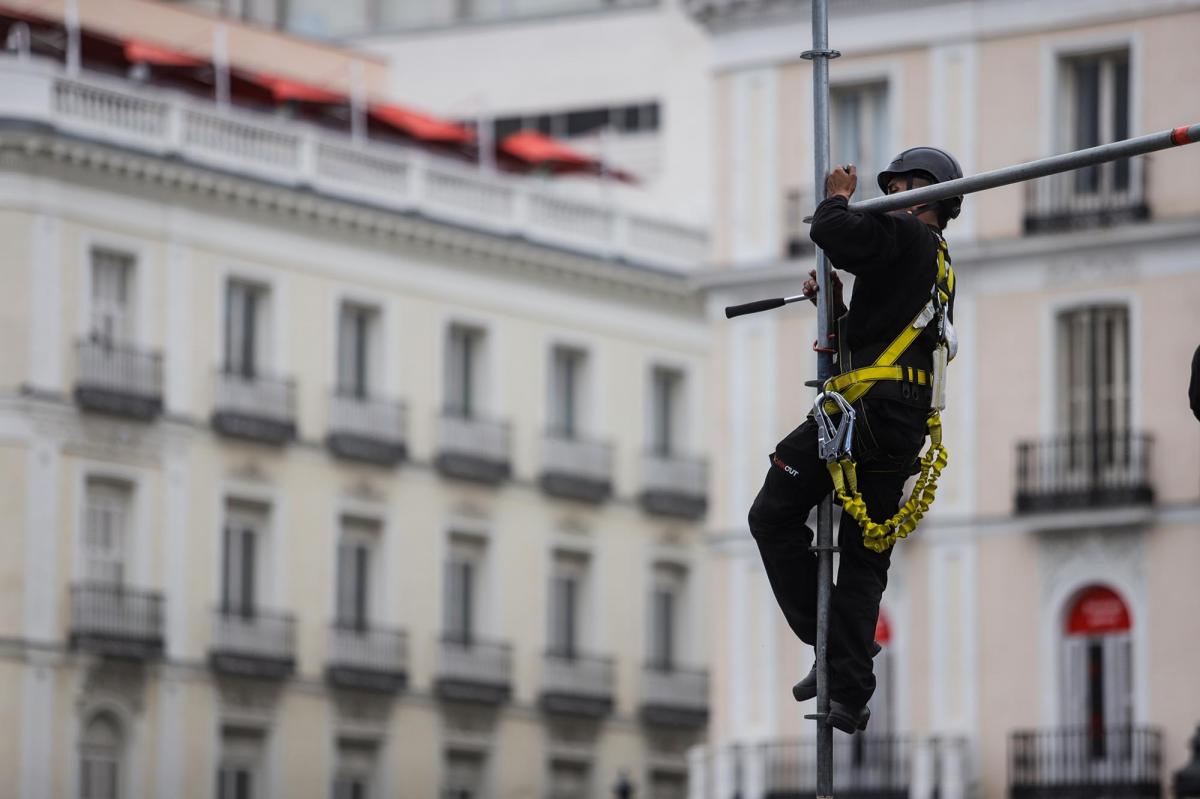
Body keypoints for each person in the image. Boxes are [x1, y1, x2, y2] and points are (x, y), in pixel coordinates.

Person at [747, 147, 963, 733]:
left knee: (772, 514)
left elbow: (833, 229)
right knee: (866, 561)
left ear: (930, 200)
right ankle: (849, 685)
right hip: (902, 420)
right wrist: (837, 307)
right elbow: (874, 338)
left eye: (903, 189)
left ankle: (833, 644)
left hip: (862, 412)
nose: (890, 197)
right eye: (889, 188)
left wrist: (839, 195)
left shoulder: (907, 236)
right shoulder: (936, 262)